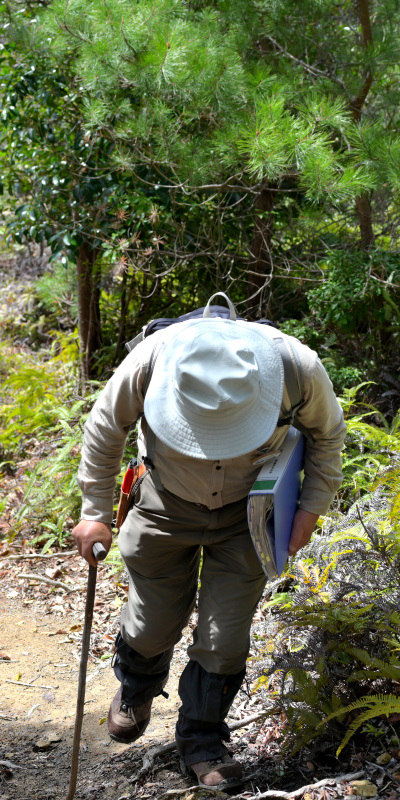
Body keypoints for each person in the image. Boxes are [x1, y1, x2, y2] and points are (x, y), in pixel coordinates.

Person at [72, 308, 346, 789]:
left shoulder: (295, 368)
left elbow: (328, 433)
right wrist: (94, 511)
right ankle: (136, 688)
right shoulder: (153, 358)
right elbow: (104, 427)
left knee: (224, 638)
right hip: (162, 503)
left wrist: (309, 509)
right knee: (152, 621)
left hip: (250, 516)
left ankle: (202, 739)